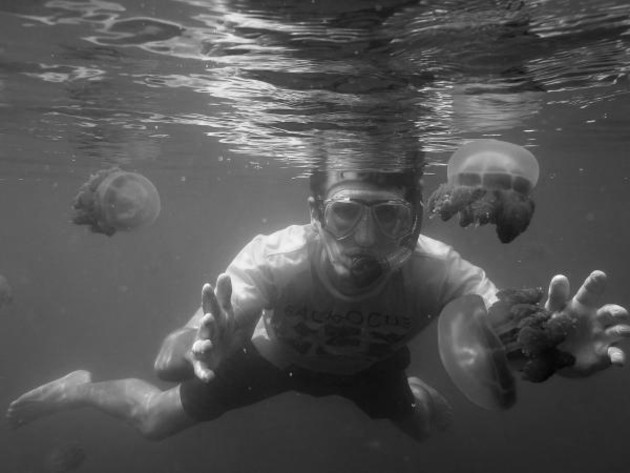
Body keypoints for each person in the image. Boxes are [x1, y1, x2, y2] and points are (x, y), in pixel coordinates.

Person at [6, 161, 629, 443]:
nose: (365, 239)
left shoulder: (445, 272)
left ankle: (411, 400)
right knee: (152, 421)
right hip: (270, 358)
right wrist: (199, 345)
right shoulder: (274, 258)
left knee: (427, 434)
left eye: (388, 217)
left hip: (369, 369)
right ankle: (83, 388)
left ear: (416, 218)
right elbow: (177, 350)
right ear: (315, 214)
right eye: (345, 212)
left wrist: (556, 348)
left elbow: (505, 340)